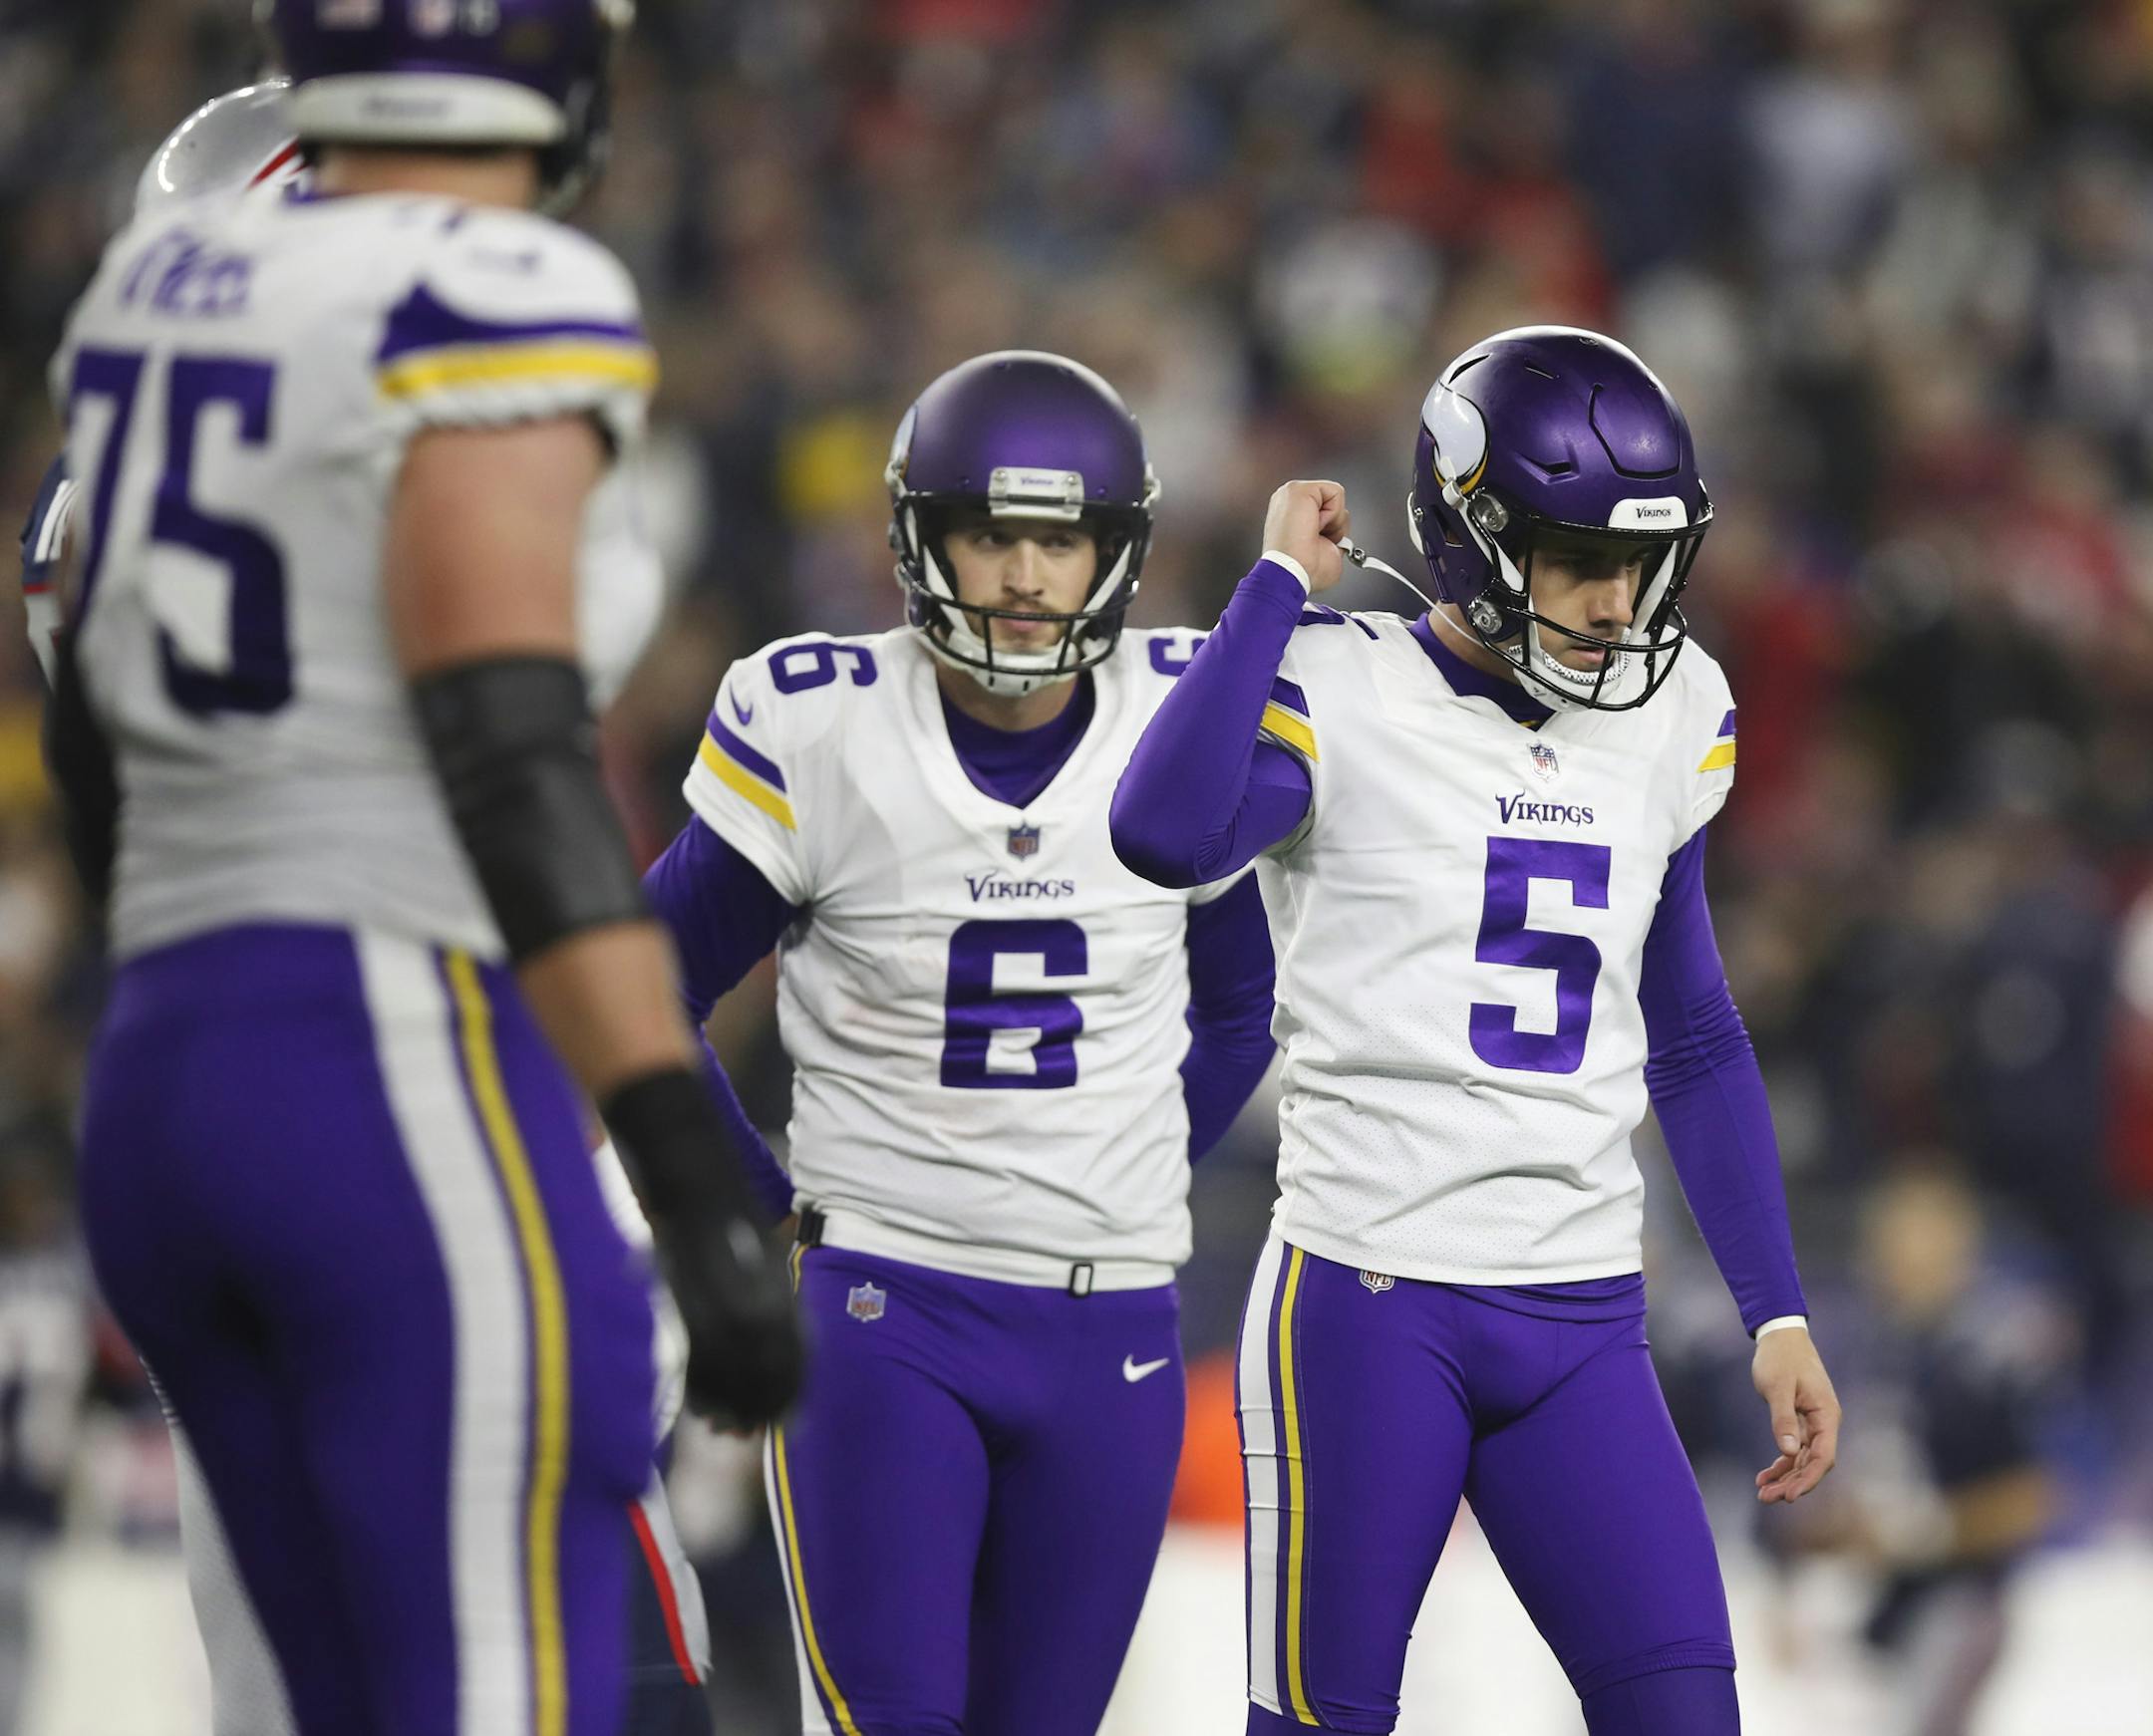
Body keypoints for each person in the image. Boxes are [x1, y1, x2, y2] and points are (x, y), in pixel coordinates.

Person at [45, 4, 803, 1733]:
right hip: (390, 1066)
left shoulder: (141, 343)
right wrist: (686, 1159)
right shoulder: (483, 291)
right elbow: (508, 757)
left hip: (167, 1078)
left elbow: (95, 761)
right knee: (514, 1672)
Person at [1110, 325, 1843, 1736]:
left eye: (1641, 562)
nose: (1618, 602)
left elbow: (1691, 1029)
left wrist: (1778, 1309)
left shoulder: (1678, 708)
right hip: (1369, 1299)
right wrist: (1271, 588)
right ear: (1470, 537)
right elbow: (1161, 831)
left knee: (1688, 1715)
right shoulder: (1340, 683)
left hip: (1584, 1314)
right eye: (1579, 559)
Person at [641, 349, 1279, 1736]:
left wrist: (1128, 1165)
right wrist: (757, 1207)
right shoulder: (821, 723)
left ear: (1116, 550)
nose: (1028, 577)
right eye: (993, 535)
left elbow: (1242, 1007)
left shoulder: (1183, 715)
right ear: (921, 540)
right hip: (888, 1309)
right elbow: (637, 988)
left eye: (1062, 540)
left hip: (1113, 1319)